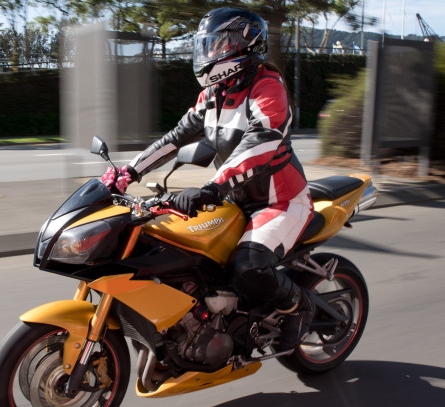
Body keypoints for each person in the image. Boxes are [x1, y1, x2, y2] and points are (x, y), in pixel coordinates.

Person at [101, 7, 315, 351]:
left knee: (247, 266)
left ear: (243, 44)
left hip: (280, 201)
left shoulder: (267, 86)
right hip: (233, 201)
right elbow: (175, 137)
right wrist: (128, 173)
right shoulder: (213, 95)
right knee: (180, 254)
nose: (210, 53)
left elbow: (261, 142)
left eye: (218, 44)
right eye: (208, 45)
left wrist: (213, 186)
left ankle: (297, 306)